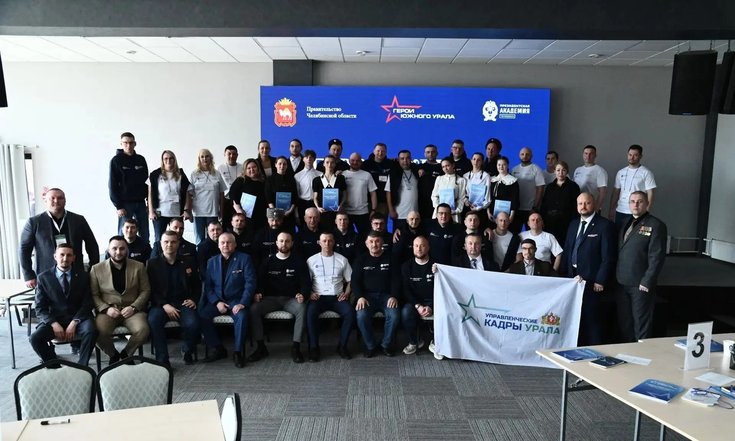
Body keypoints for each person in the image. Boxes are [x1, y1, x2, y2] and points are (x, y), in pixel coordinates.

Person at [561, 193, 616, 346]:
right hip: (573, 280)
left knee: (592, 319)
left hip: (592, 282)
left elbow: (608, 256)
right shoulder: (573, 224)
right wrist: (565, 276)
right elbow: (568, 250)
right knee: (575, 318)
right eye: (580, 204)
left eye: (587, 203)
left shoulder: (604, 225)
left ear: (594, 204)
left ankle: (595, 351)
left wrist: (600, 279)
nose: (583, 207)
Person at [248, 231, 310, 363]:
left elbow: (306, 282)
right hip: (270, 299)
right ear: (276, 243)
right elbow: (259, 281)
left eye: (287, 241)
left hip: (291, 299)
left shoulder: (299, 261)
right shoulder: (267, 261)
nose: (284, 244)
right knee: (254, 309)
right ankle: (261, 347)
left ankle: (296, 347)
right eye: (281, 241)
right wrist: (257, 292)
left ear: (292, 243)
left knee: (302, 308)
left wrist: (303, 294)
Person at [30, 244, 96, 366]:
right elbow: (40, 307)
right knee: (35, 338)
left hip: (78, 319)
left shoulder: (83, 276)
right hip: (55, 319)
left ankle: (82, 366)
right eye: (62, 255)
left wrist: (75, 322)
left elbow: (88, 302)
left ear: (74, 258)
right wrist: (53, 323)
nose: (65, 258)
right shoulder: (44, 277)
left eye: (69, 255)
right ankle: (53, 364)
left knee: (91, 331)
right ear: (55, 256)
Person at [19, 188, 99, 288]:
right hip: (45, 274)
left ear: (65, 201)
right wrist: (28, 275)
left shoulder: (78, 220)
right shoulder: (34, 222)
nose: (56, 201)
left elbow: (92, 245)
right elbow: (24, 249)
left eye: (60, 198)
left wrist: (94, 269)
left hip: (75, 273)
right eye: (52, 198)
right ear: (45, 201)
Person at [90, 236, 151, 364]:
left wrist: (134, 307)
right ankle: (113, 355)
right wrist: (106, 309)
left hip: (132, 310)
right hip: (108, 310)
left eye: (122, 248)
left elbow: (145, 290)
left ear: (127, 249)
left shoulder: (139, 266)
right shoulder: (96, 269)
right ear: (108, 250)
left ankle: (126, 354)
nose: (118, 252)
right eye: (114, 248)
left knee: (143, 329)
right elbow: (94, 294)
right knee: (96, 332)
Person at [616, 191, 667, 342]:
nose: (635, 205)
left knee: (641, 324)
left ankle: (642, 353)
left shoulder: (656, 225)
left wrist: (647, 281)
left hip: (640, 284)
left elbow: (656, 257)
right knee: (625, 324)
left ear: (647, 203)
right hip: (622, 281)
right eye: (632, 201)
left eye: (639, 201)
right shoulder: (625, 222)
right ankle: (627, 352)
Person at [199, 232, 256, 368]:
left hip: (237, 301)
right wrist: (216, 302)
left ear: (235, 244)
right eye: (222, 243)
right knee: (202, 315)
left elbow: (250, 283)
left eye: (229, 242)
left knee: (242, 317)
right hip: (218, 301)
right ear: (218, 245)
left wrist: (242, 303)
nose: (225, 245)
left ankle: (238, 352)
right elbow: (208, 287)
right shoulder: (211, 262)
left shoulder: (244, 259)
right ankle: (218, 348)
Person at [146, 230, 201, 366]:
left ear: (178, 244)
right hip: (161, 304)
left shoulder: (188, 261)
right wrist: (164, 305)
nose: (169, 245)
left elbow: (197, 285)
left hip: (183, 302)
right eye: (166, 242)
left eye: (173, 242)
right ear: (161, 243)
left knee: (193, 323)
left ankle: (187, 350)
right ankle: (162, 359)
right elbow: (150, 289)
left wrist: (194, 299)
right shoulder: (152, 264)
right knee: (154, 321)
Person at [306, 231, 354, 361]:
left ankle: (342, 346)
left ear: (334, 242)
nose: (327, 243)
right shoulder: (311, 260)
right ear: (319, 242)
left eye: (330, 240)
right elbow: (305, 282)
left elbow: (351, 280)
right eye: (324, 241)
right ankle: (314, 348)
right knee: (310, 313)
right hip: (318, 297)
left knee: (350, 313)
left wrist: (347, 293)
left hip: (337, 297)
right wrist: (310, 293)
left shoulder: (342, 259)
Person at [353, 231, 400, 357]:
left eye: (377, 241)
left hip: (387, 297)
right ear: (366, 244)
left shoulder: (391, 258)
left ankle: (386, 345)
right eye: (371, 242)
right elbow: (355, 282)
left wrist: (394, 295)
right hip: (366, 297)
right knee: (361, 316)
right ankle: (370, 345)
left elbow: (396, 280)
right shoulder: (360, 259)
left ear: (382, 242)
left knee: (394, 315)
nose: (374, 244)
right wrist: (360, 297)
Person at [109, 132, 150, 242]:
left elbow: (147, 183)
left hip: (141, 203)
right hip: (125, 204)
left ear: (135, 144)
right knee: (124, 234)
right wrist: (118, 206)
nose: (128, 145)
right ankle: (121, 251)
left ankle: (145, 252)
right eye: (125, 143)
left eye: (131, 143)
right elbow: (112, 185)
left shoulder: (141, 159)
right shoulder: (116, 161)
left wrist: (149, 203)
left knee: (145, 233)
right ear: (121, 144)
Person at [400, 236, 436, 356]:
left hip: (433, 300)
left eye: (422, 245)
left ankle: (436, 342)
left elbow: (442, 290)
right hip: (415, 302)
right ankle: (414, 341)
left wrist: (431, 306)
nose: (419, 249)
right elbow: (406, 290)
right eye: (416, 246)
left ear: (428, 247)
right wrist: (418, 306)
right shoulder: (406, 266)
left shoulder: (436, 265)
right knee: (406, 312)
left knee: (445, 311)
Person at [608, 144, 657, 231]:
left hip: (636, 211)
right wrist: (611, 209)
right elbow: (616, 192)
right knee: (618, 234)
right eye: (630, 155)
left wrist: (646, 211)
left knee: (633, 236)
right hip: (620, 210)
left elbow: (651, 193)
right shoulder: (621, 172)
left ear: (640, 156)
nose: (632, 157)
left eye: (635, 155)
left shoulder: (646, 173)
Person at [148, 150, 192, 241]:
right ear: (162, 160)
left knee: (176, 238)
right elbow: (150, 194)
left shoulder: (180, 174)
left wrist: (186, 210)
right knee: (159, 238)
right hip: (160, 213)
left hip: (176, 212)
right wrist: (151, 211)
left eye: (171, 158)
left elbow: (188, 192)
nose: (168, 160)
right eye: (166, 158)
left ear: (174, 160)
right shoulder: (155, 174)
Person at [187, 148, 227, 245]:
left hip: (213, 212)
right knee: (199, 240)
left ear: (211, 158)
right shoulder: (194, 174)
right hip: (198, 213)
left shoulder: (217, 174)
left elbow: (221, 194)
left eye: (207, 156)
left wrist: (221, 211)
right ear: (199, 159)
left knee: (213, 239)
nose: (205, 159)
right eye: (202, 157)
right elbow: (189, 194)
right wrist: (188, 211)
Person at [540, 160, 581, 245]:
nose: (560, 173)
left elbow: (576, 207)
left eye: (563, 170)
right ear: (554, 171)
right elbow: (544, 205)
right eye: (558, 170)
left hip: (566, 222)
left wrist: (574, 223)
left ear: (567, 172)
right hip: (550, 222)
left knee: (564, 244)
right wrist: (542, 219)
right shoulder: (549, 187)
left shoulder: (573, 187)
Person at [342, 152, 377, 237]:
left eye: (357, 160)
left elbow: (373, 193)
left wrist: (373, 210)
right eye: (353, 160)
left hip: (363, 212)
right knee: (346, 236)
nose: (355, 162)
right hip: (346, 212)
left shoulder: (367, 175)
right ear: (349, 161)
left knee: (365, 237)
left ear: (361, 162)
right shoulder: (343, 174)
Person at [511, 147, 545, 233]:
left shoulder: (536, 169)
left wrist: (535, 207)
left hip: (530, 209)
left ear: (531, 156)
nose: (525, 156)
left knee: (532, 233)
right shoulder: (514, 170)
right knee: (515, 234)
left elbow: (540, 188)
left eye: (527, 154)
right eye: (522, 154)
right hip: (517, 209)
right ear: (519, 155)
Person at [386, 150, 420, 232]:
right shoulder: (393, 174)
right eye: (402, 158)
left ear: (411, 159)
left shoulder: (416, 172)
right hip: (399, 214)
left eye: (407, 158)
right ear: (398, 160)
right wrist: (391, 210)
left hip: (415, 215)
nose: (405, 161)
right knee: (399, 238)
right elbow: (388, 192)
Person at [230, 158, 268, 232]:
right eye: (249, 168)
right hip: (245, 215)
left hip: (261, 216)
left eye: (254, 167)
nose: (252, 170)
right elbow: (232, 195)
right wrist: (238, 210)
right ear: (245, 170)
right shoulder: (241, 180)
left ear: (258, 168)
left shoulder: (263, 181)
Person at [312, 154, 347, 230]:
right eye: (327, 162)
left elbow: (344, 195)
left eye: (332, 162)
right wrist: (318, 207)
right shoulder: (316, 180)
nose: (329, 165)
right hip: (322, 212)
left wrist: (340, 205)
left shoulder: (340, 178)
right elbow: (315, 197)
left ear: (335, 164)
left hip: (337, 212)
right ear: (323, 164)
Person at [361, 143, 395, 216]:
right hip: (367, 202)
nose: (380, 153)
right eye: (378, 151)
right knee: (366, 222)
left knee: (381, 222)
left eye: (383, 151)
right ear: (374, 151)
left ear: (386, 152)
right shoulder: (365, 164)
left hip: (383, 202)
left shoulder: (391, 164)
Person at [431, 157, 467, 224]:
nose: (445, 168)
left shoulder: (461, 180)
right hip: (439, 212)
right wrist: (438, 208)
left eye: (447, 165)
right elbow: (434, 195)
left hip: (453, 212)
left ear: (453, 165)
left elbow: (461, 198)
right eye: (443, 167)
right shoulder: (439, 178)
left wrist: (456, 211)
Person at [265, 156, 298, 230]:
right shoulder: (270, 179)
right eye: (280, 164)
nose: (282, 166)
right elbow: (268, 198)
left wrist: (290, 211)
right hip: (274, 215)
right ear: (275, 165)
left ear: (287, 166)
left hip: (288, 214)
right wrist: (276, 212)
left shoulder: (291, 179)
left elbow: (295, 197)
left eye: (284, 164)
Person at [573, 145, 608, 212]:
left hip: (591, 207)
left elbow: (603, 192)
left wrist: (596, 208)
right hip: (579, 207)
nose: (588, 156)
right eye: (586, 153)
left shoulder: (600, 171)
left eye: (591, 154)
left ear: (595, 155)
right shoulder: (578, 170)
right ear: (583, 155)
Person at [488, 156, 520, 230]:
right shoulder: (493, 180)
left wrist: (511, 215)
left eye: (504, 164)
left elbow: (515, 199)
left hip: (507, 214)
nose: (501, 167)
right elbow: (488, 197)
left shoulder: (513, 181)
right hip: (493, 213)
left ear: (507, 165)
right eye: (499, 164)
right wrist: (488, 212)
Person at [463, 152, 492, 227]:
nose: (476, 161)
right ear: (471, 160)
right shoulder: (465, 176)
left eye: (478, 160)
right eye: (474, 159)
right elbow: (463, 193)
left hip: (480, 210)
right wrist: (465, 201)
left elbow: (488, 197)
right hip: (467, 208)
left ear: (482, 162)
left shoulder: (486, 176)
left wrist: (478, 208)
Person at [217, 145, 242, 228]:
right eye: (229, 154)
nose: (232, 156)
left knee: (239, 224)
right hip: (225, 200)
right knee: (226, 224)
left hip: (238, 201)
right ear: (225, 155)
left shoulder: (242, 167)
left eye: (234, 154)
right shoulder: (220, 168)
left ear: (237, 155)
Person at [294, 149, 320, 226]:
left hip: (315, 203)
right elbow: (296, 194)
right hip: (302, 204)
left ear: (314, 159)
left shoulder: (320, 175)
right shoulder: (297, 175)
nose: (309, 159)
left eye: (311, 157)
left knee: (316, 226)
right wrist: (296, 212)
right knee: (302, 226)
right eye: (306, 157)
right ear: (303, 159)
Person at [417, 144, 443, 221]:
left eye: (433, 152)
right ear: (424, 154)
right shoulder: (419, 167)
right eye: (428, 152)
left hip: (437, 202)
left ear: (437, 153)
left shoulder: (442, 167)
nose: (430, 154)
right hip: (422, 203)